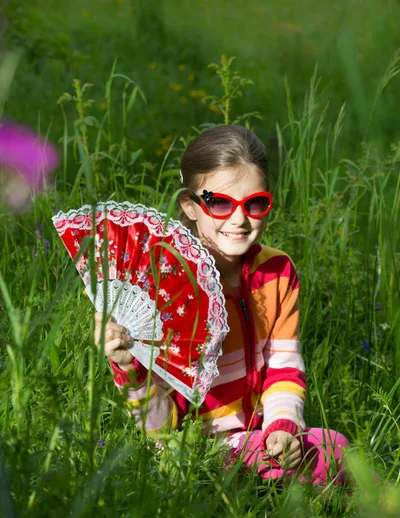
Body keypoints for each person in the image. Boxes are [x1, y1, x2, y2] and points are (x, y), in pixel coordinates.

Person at [94, 125, 349, 486]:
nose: (239, 219)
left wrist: (283, 428)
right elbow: (159, 429)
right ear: (190, 206)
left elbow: (283, 369)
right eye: (218, 202)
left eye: (255, 202)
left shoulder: (276, 272)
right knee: (331, 457)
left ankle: (284, 493)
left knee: (332, 445)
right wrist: (130, 370)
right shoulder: (167, 286)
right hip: (195, 451)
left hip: (261, 438)